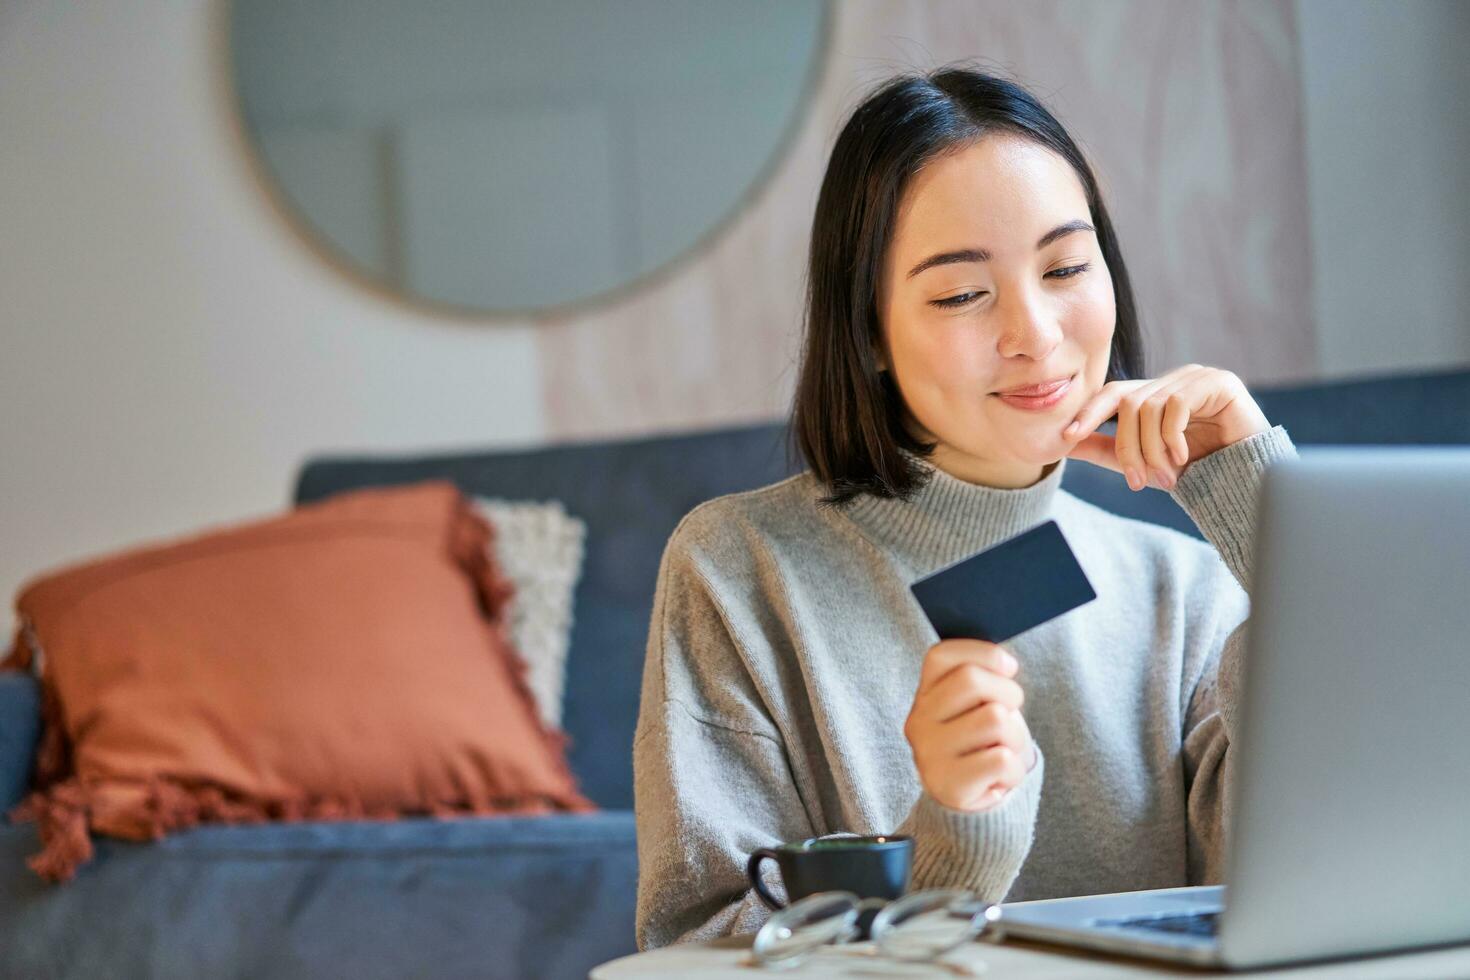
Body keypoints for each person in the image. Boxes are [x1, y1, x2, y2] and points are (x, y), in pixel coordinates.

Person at [631, 64, 1298, 952]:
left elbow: (1323, 873)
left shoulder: (1186, 585)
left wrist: (1269, 515)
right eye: (960, 293)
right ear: (868, 331)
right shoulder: (738, 570)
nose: (1036, 334)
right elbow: (696, 949)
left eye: (1065, 265)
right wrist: (952, 837)